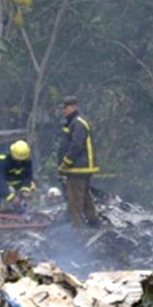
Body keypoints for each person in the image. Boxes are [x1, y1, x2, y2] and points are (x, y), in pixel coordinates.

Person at [57, 96, 101, 228]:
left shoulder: (78, 123)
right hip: (80, 168)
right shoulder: (73, 122)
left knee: (74, 200)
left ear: (74, 107)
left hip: (78, 168)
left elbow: (76, 145)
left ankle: (77, 229)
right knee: (85, 195)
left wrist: (66, 162)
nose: (63, 110)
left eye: (66, 107)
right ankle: (93, 221)